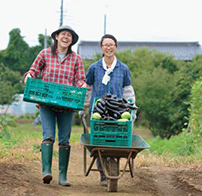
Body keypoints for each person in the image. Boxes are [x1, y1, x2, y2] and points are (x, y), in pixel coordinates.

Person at [24, 25, 86, 186]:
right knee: (49, 135)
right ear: (57, 37)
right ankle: (46, 171)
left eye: (69, 36)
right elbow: (33, 70)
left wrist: (83, 85)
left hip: (67, 104)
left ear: (72, 40)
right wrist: (29, 76)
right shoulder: (44, 54)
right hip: (46, 103)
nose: (66, 37)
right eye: (63, 34)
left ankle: (63, 176)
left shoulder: (76, 59)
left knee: (64, 139)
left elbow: (79, 79)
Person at [79, 34, 136, 187]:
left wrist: (132, 109)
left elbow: (128, 91)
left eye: (111, 45)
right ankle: (103, 174)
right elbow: (88, 88)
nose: (109, 47)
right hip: (98, 111)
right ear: (101, 48)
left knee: (115, 141)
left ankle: (112, 164)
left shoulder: (123, 68)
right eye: (106, 45)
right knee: (100, 141)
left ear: (116, 47)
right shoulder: (94, 68)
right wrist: (83, 107)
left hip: (118, 111)